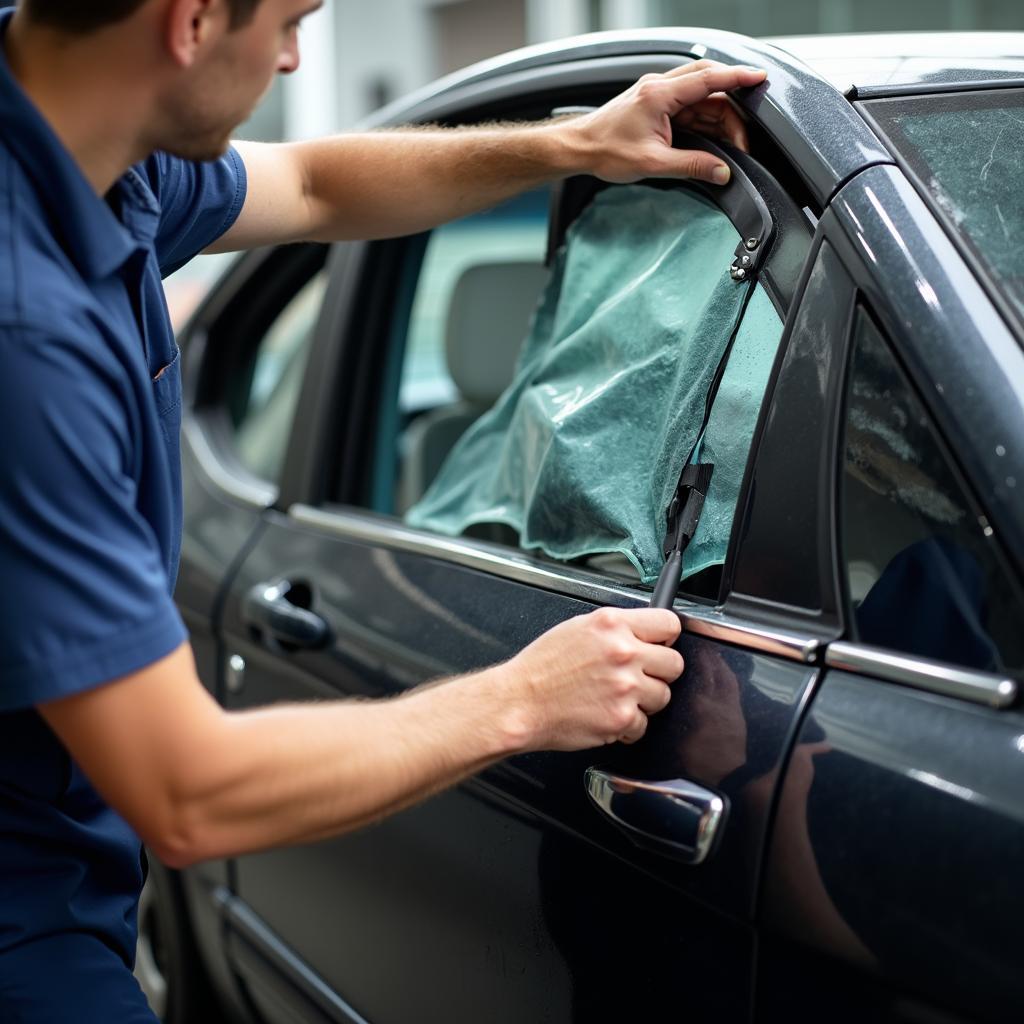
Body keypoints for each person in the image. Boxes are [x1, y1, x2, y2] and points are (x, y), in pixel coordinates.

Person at [0, 0, 767, 1018]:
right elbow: (186, 790)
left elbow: (314, 185)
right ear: (188, 22)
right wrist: (525, 697)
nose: (293, 56)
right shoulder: (27, 341)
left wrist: (578, 142)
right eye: (289, 20)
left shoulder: (86, 142)